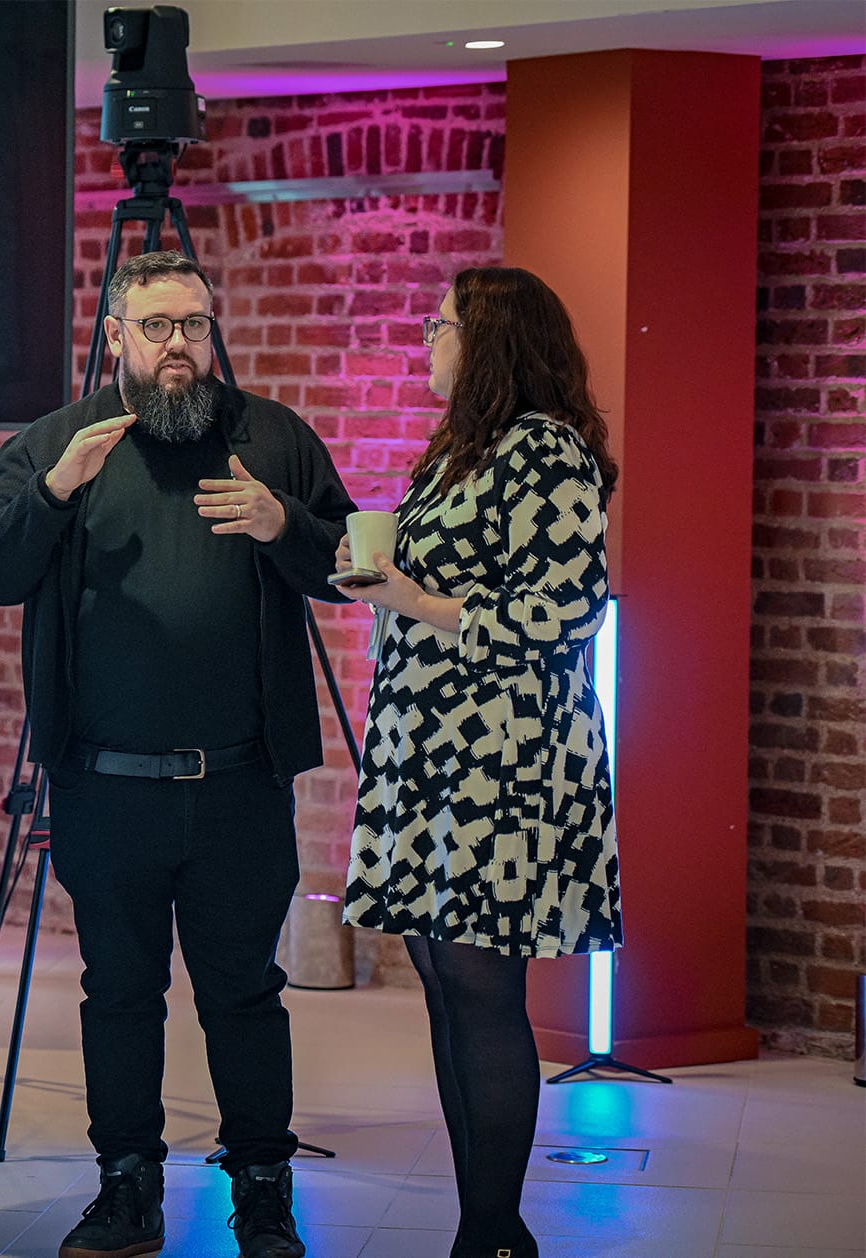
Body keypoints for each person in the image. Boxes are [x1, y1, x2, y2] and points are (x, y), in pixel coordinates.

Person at [0, 250, 356, 1258]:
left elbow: (351, 564)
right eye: (158, 325)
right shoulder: (60, 445)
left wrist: (283, 523)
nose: (179, 343)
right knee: (119, 993)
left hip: (239, 785)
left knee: (245, 995)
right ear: (116, 336)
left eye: (194, 323)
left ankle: (263, 1190)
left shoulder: (270, 437)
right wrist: (54, 492)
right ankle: (126, 1187)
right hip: (106, 786)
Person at [336, 266, 622, 1258]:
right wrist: (380, 585)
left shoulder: (544, 450)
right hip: (433, 750)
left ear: (490, 341)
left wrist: (411, 600)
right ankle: (481, 1225)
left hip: (504, 761)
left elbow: (565, 611)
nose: (428, 336)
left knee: (483, 988)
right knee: (446, 984)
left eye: (443, 323)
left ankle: (497, 1235)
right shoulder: (462, 451)